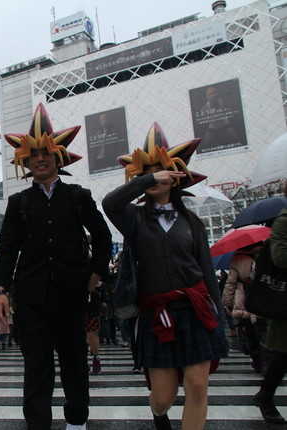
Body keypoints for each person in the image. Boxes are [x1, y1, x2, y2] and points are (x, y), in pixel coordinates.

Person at [102, 122, 229, 430]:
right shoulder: (132, 217)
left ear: (176, 175)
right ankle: (159, 415)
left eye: (161, 170)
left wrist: (220, 315)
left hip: (196, 309)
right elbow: (109, 203)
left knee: (197, 385)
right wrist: (147, 178)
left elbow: (207, 273)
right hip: (155, 313)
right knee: (164, 395)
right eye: (148, 171)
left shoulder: (193, 223)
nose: (156, 176)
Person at [0, 103, 113, 430]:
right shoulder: (18, 203)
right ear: (26, 163)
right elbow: (7, 249)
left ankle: (76, 420)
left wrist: (96, 273)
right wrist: (1, 290)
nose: (40, 159)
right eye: (33, 156)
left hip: (72, 294)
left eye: (46, 154)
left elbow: (103, 236)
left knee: (74, 363)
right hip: (31, 298)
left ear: (58, 158)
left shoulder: (78, 196)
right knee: (36, 367)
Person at [254, 184, 287, 424]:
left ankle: (265, 393)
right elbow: (280, 257)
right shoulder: (283, 222)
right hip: (284, 300)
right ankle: (266, 394)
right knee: (284, 356)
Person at [222, 243, 264, 372]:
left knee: (249, 333)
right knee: (263, 332)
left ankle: (257, 361)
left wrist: (227, 303)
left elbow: (230, 284)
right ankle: (268, 360)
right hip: (263, 301)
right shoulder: (265, 256)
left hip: (244, 301)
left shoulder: (237, 260)